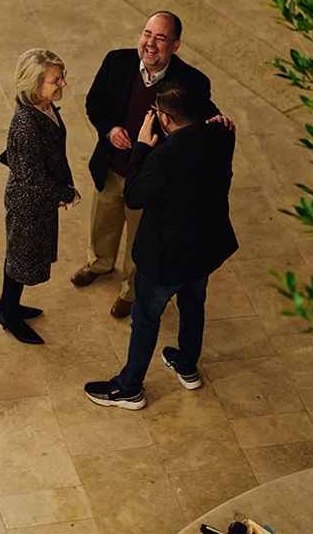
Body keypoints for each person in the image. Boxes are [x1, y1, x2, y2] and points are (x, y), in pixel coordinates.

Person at [84, 78, 238, 410]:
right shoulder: (223, 134)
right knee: (193, 305)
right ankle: (186, 365)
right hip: (205, 249)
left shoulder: (164, 157)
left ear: (164, 118)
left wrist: (141, 145)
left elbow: (133, 195)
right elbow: (219, 132)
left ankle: (129, 387)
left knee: (146, 317)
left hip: (166, 258)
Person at [72, 11, 223, 318]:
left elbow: (200, 120)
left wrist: (216, 123)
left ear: (175, 46)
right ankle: (99, 264)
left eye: (161, 38)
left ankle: (129, 290)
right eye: (147, 34)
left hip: (150, 177)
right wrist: (110, 129)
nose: (150, 44)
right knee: (103, 221)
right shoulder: (116, 62)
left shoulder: (192, 82)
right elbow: (94, 103)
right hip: (112, 166)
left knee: (139, 237)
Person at [0, 48, 81, 344]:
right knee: (22, 259)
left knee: (20, 254)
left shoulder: (45, 106)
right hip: (28, 204)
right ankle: (9, 314)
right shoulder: (27, 125)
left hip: (35, 199)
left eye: (62, 77)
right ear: (34, 85)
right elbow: (32, 178)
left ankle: (7, 303)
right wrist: (66, 193)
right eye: (55, 80)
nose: (63, 85)